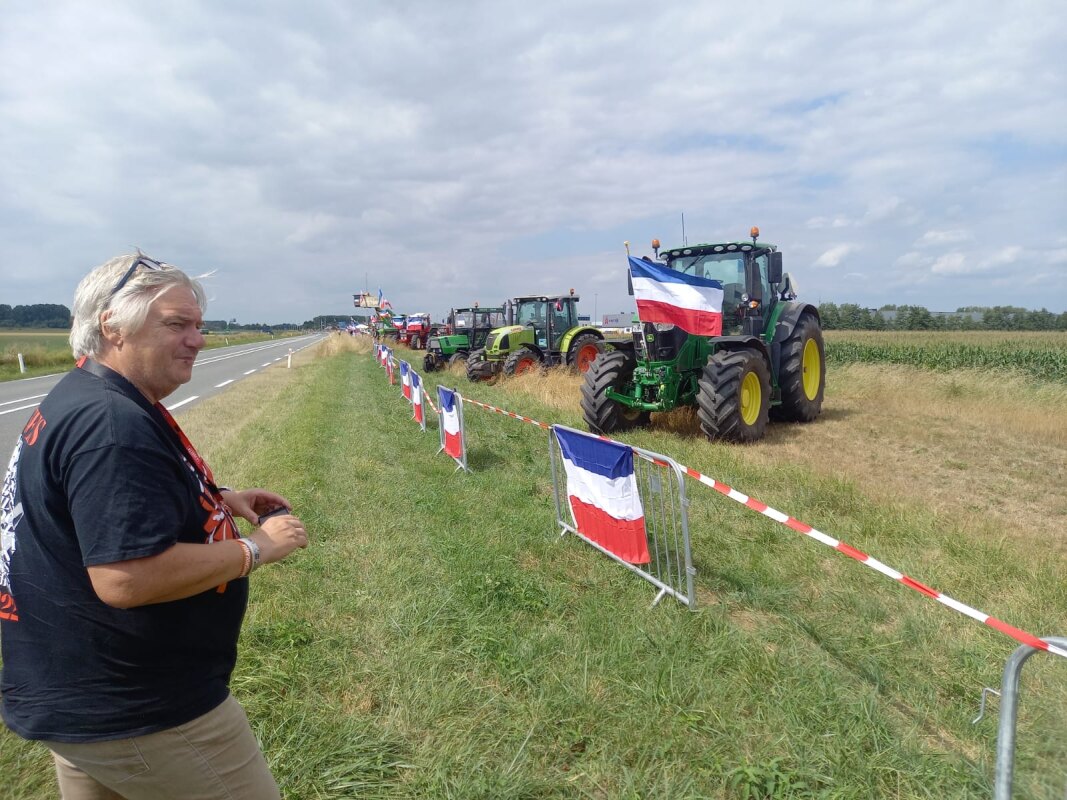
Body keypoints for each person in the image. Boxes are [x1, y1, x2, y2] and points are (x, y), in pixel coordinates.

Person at [0, 253, 309, 799]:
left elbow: (87, 510)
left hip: (79, 692)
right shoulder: (112, 424)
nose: (199, 340)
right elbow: (126, 577)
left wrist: (216, 498)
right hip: (143, 709)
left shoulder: (83, 396)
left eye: (198, 325)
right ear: (111, 326)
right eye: (176, 324)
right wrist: (256, 548)